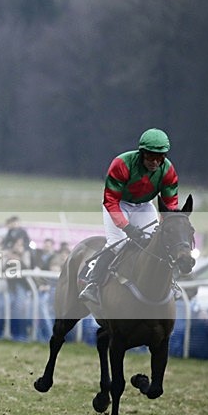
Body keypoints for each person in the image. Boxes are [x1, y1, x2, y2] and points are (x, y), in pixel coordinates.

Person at [79, 128, 179, 304]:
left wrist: (166, 224)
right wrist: (126, 227)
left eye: (160, 157)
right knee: (118, 244)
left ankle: (170, 283)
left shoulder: (168, 170)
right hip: (118, 204)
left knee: (156, 243)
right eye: (150, 156)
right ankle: (93, 283)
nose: (155, 162)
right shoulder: (122, 163)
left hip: (144, 206)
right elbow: (110, 200)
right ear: (142, 153)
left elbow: (170, 204)